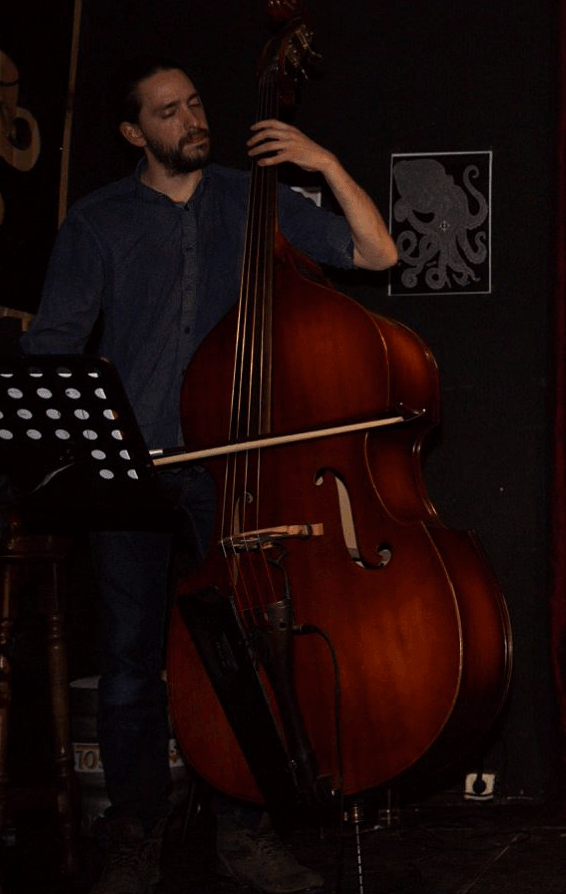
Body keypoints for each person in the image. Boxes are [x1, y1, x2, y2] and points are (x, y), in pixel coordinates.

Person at [21, 58, 398, 894]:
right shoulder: (97, 222)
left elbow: (378, 253)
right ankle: (136, 831)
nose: (191, 118)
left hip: (238, 468)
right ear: (133, 131)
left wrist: (324, 162)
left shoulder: (251, 197)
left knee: (245, 654)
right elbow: (53, 348)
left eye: (194, 102)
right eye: (168, 111)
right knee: (129, 658)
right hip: (137, 464)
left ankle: (245, 828)